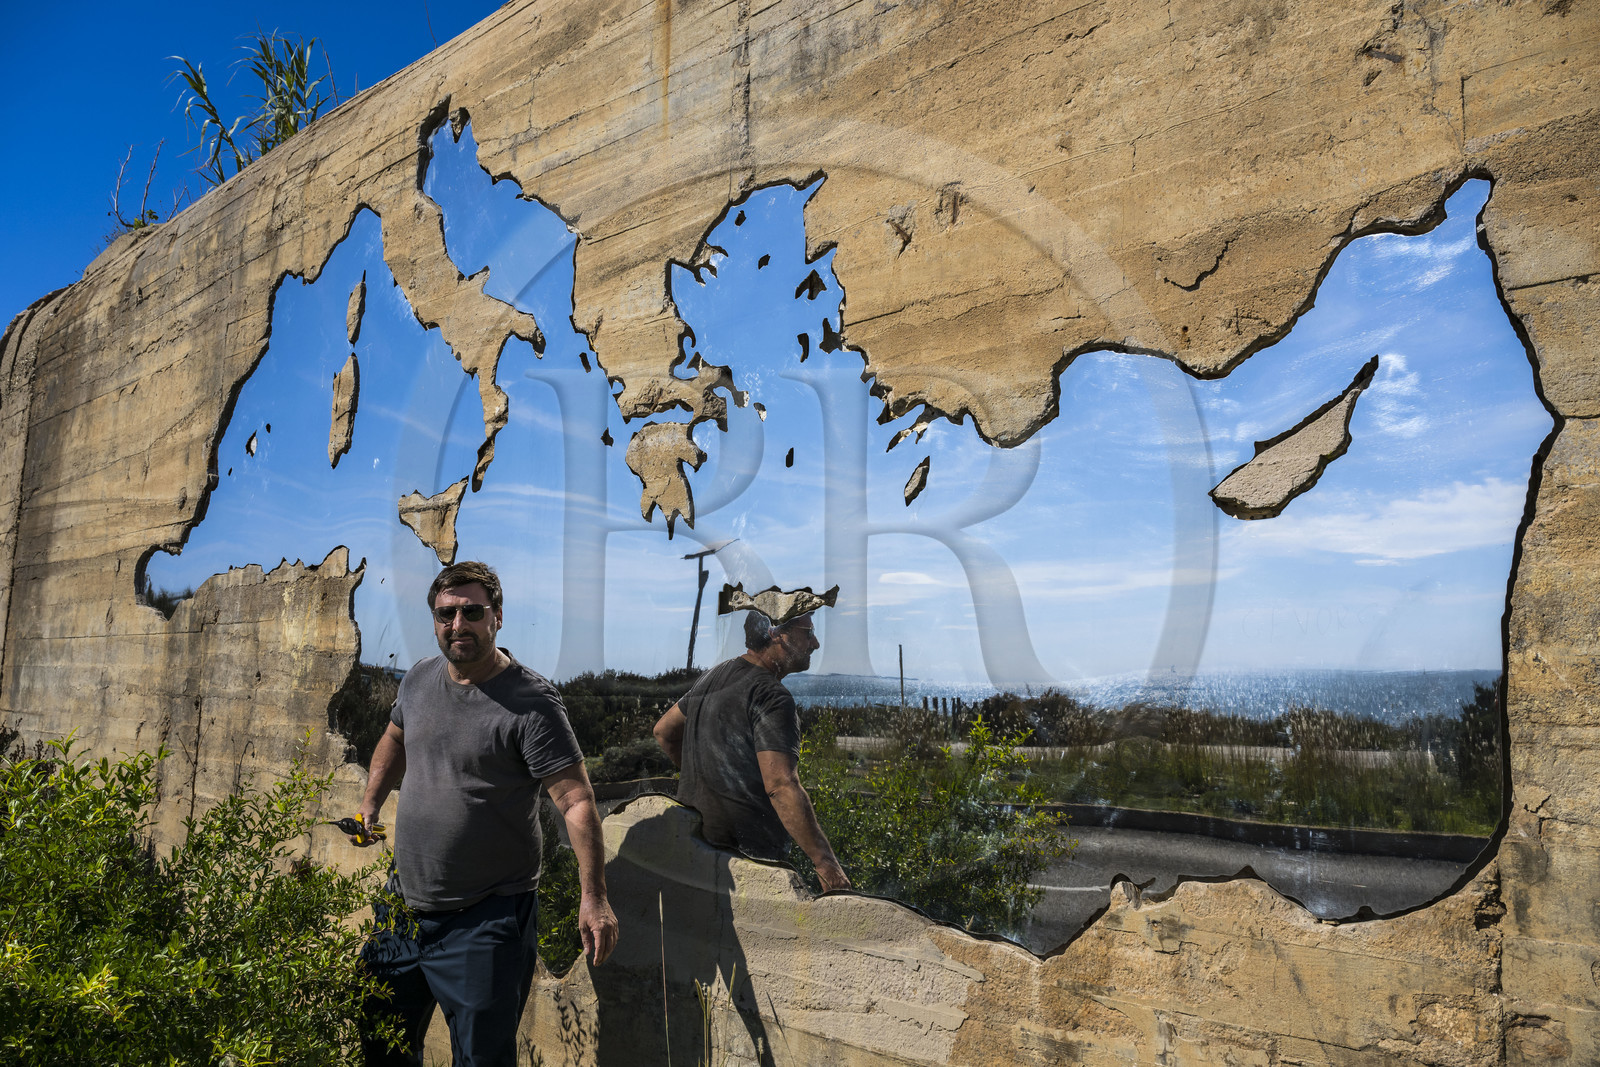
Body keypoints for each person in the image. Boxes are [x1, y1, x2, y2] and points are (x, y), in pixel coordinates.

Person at [353, 561, 619, 1066]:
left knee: (480, 1059)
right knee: (379, 1038)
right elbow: (395, 737)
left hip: (485, 919)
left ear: (497, 616)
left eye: (471, 612)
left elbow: (576, 800)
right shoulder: (418, 680)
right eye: (445, 614)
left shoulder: (531, 702)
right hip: (404, 907)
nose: (457, 625)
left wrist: (594, 897)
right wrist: (371, 803)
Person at [652, 611, 850, 892]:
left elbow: (664, 732)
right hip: (748, 865)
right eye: (808, 633)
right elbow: (781, 785)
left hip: (695, 847)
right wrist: (825, 863)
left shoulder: (715, 676)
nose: (815, 643)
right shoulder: (772, 695)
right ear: (776, 634)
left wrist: (710, 780)